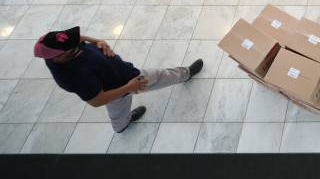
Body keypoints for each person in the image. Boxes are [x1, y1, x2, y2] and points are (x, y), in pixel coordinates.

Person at [34, 26, 203, 133]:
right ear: (62, 56)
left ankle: (121, 126)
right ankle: (185, 74)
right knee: (159, 75)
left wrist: (98, 41)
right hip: (127, 82)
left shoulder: (50, 44)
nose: (81, 45)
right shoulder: (73, 76)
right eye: (77, 47)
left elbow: (78, 39)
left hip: (120, 76)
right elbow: (97, 101)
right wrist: (129, 87)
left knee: (117, 112)